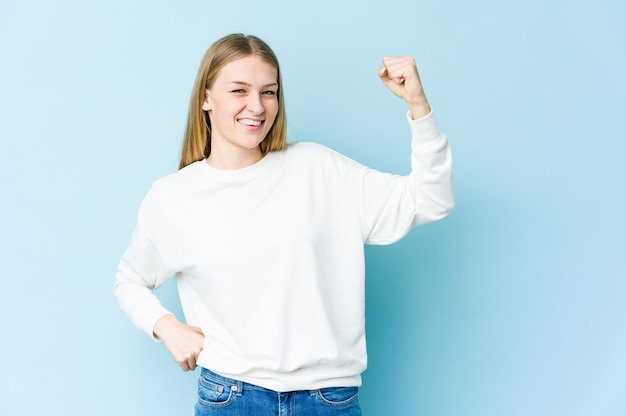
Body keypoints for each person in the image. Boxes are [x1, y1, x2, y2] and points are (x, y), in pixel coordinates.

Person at [114, 33, 454, 415]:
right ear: (206, 98)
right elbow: (129, 280)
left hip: (327, 400)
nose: (256, 106)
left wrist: (419, 107)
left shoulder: (318, 170)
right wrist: (164, 325)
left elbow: (431, 199)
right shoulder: (172, 198)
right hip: (230, 399)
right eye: (239, 90)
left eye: (269, 92)